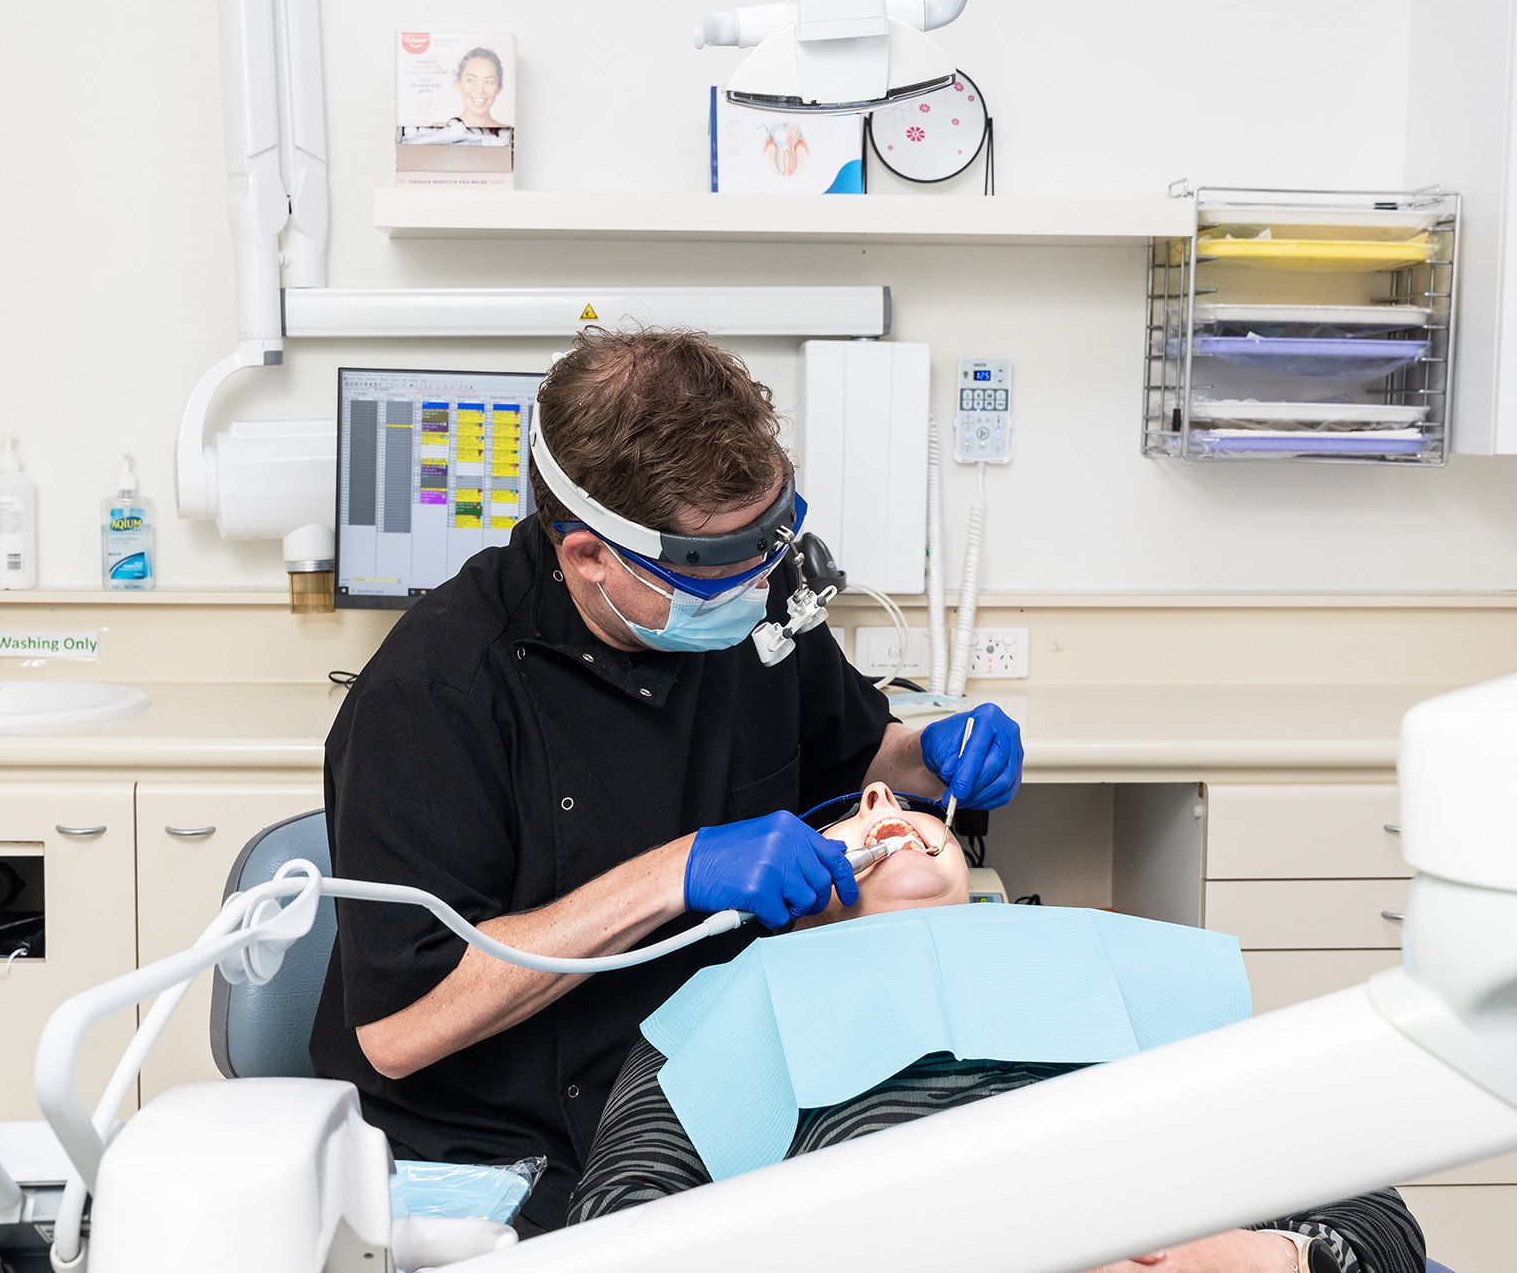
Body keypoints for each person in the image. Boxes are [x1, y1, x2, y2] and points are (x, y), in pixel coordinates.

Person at [312, 328, 1023, 1232]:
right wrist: (672, 872)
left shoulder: (753, 600)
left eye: (767, 546)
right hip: (500, 1155)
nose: (752, 586)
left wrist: (931, 752)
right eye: (707, 572)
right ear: (586, 556)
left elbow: (860, 749)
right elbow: (401, 1031)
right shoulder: (434, 694)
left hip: (715, 1090)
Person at [571, 784, 1426, 1273]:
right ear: (786, 905)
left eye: (902, 801)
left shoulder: (1124, 962)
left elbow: (1377, 1220)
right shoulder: (737, 1004)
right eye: (847, 817)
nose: (879, 799)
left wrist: (1251, 1259)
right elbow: (616, 1230)